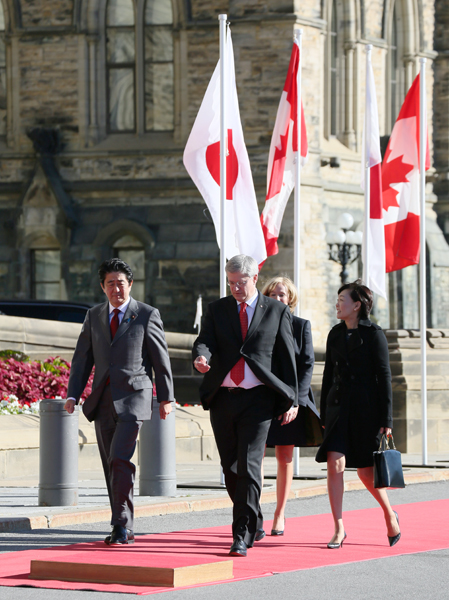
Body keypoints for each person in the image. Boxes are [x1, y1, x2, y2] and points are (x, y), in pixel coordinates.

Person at [192, 255, 298, 558]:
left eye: (242, 282)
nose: (236, 287)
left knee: (250, 467)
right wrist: (202, 357)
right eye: (231, 282)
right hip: (223, 397)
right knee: (231, 469)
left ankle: (240, 534)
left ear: (255, 277)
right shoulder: (218, 309)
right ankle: (254, 517)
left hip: (258, 399)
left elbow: (286, 356)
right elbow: (205, 341)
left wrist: (290, 397)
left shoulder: (276, 311)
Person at [64, 258, 174, 545]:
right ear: (103, 287)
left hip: (134, 398)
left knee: (121, 459)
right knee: (110, 463)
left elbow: (161, 361)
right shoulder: (94, 315)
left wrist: (166, 398)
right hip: (102, 401)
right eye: (110, 284)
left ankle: (120, 526)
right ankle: (123, 523)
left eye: (121, 283)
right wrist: (73, 394)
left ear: (131, 285)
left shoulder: (147, 314)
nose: (116, 289)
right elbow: (82, 360)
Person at [316, 280, 401, 549]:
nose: (337, 303)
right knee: (335, 463)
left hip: (366, 411)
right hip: (338, 408)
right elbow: (328, 375)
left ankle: (389, 513)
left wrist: (386, 420)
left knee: (366, 473)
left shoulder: (374, 334)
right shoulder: (335, 334)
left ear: (357, 305)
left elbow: (384, 378)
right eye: (337, 298)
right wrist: (322, 414)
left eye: (342, 299)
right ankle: (339, 528)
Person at [262, 276, 322, 535]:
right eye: (273, 294)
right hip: (262, 397)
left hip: (289, 400)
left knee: (284, 457)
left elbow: (308, 364)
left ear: (290, 299)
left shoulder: (300, 326)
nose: (277, 299)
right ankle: (254, 512)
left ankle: (279, 513)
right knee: (255, 457)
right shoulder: (258, 325)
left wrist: (295, 401)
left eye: (282, 295)